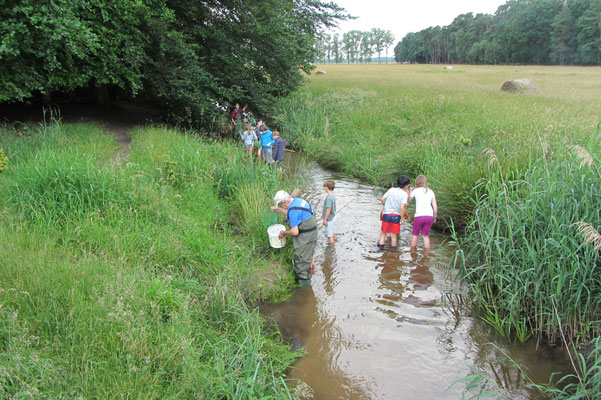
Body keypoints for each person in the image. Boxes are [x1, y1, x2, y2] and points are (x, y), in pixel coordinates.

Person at [271, 190, 317, 286]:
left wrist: (284, 233)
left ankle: (304, 288)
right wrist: (279, 210)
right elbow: (294, 213)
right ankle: (311, 267)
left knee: (301, 261)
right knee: (309, 254)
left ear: (284, 202)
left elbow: (295, 231)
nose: (280, 206)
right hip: (312, 232)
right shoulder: (298, 201)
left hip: (306, 236)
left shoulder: (293, 210)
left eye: (280, 205)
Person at [377, 175, 410, 249]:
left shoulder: (391, 190)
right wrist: (402, 218)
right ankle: (393, 252)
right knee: (394, 235)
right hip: (396, 216)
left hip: (386, 214)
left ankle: (380, 248)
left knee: (383, 233)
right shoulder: (404, 194)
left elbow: (382, 199)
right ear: (406, 186)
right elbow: (402, 207)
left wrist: (385, 207)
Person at [408, 175, 438, 249]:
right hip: (429, 216)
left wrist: (410, 191)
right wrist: (434, 216)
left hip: (419, 216)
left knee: (415, 234)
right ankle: (426, 255)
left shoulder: (415, 191)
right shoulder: (431, 192)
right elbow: (435, 206)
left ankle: (413, 253)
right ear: (425, 182)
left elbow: (408, 200)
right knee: (425, 235)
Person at [322, 180, 337, 246]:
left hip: (329, 219)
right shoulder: (333, 196)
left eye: (324, 187)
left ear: (326, 187)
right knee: (332, 232)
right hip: (333, 217)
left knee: (329, 236)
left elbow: (328, 209)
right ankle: (335, 241)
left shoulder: (328, 198)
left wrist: (325, 220)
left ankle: (331, 249)